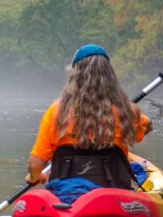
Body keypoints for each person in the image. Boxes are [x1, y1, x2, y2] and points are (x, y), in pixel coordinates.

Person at [26, 44, 152, 198]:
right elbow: (145, 128)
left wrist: (34, 177)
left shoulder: (55, 113)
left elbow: (35, 165)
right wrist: (132, 113)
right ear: (110, 76)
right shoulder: (128, 111)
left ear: (74, 76)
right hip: (114, 198)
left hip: (66, 198)